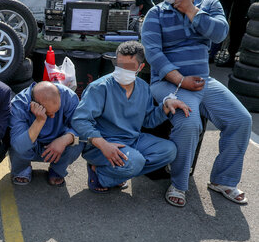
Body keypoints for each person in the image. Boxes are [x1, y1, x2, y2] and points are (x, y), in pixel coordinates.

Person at [142, 0, 252, 207]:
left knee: (241, 119)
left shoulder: (210, 5)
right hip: (169, 83)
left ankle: (224, 179)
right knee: (189, 122)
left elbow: (220, 33)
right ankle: (179, 183)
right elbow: (153, 54)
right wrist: (180, 79)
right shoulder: (156, 13)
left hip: (204, 82)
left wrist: (192, 11)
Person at [72, 41, 188, 194]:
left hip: (132, 140)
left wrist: (166, 106)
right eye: (119, 65)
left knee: (169, 150)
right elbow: (80, 120)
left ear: (140, 68)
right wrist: (103, 144)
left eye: (129, 67)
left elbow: (148, 120)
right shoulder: (100, 88)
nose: (122, 70)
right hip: (102, 144)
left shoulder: (143, 88)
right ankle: (99, 176)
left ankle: (113, 172)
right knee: (135, 162)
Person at [9, 81, 84, 187]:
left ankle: (57, 170)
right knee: (14, 141)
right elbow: (19, 146)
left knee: (78, 142)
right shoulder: (18, 105)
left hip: (57, 143)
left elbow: (82, 126)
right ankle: (22, 168)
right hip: (31, 145)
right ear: (34, 105)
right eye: (49, 114)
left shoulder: (69, 97)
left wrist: (65, 140)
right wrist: (39, 121)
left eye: (56, 111)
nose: (53, 116)